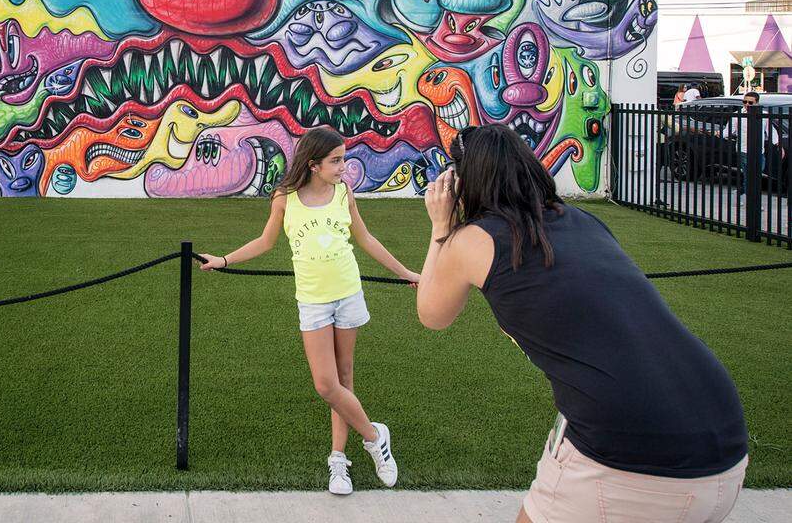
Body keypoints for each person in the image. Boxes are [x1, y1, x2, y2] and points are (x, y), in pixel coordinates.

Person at [416, 124, 748, 523]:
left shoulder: (474, 239)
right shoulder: (584, 220)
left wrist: (441, 226)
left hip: (628, 452)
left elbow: (432, 314)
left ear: (462, 180)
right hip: (725, 442)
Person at [198, 126, 420, 495]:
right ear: (314, 164)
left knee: (344, 380)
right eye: (336, 161)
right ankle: (375, 436)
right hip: (313, 301)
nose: (344, 167)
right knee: (326, 385)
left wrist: (407, 272)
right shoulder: (285, 198)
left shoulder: (343, 192)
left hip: (348, 293)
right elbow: (265, 241)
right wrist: (224, 259)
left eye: (343, 159)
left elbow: (365, 238)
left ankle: (338, 461)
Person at [723, 91, 776, 202]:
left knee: (755, 176)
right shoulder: (737, 115)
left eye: (750, 102)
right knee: (751, 175)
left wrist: (777, 144)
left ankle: (741, 193)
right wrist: (720, 133)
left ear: (757, 103)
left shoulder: (764, 116)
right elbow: (728, 131)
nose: (747, 104)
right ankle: (752, 201)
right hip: (744, 150)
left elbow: (771, 131)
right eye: (745, 102)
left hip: (759, 151)